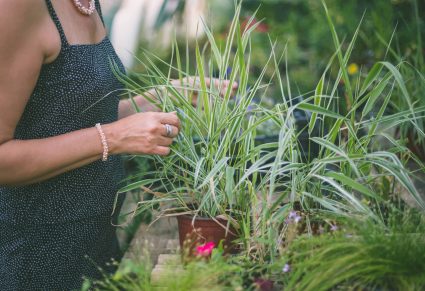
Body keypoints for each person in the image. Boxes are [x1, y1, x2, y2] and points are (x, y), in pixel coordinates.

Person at [0, 0, 237, 290]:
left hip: (93, 239)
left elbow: (71, 116)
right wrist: (113, 137)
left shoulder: (86, 3)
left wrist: (162, 97)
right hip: (34, 253)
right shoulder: (18, 6)